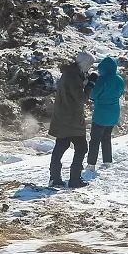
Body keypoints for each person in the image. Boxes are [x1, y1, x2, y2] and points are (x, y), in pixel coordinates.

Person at [49, 51, 93, 188]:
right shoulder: (73, 77)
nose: (89, 68)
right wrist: (90, 85)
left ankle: (55, 178)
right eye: (89, 65)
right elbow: (81, 98)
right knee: (81, 148)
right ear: (84, 64)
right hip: (72, 119)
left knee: (60, 147)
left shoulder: (70, 74)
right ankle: (75, 179)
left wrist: (85, 80)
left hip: (63, 117)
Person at [86, 56, 125, 170]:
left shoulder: (102, 79)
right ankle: (107, 161)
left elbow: (93, 95)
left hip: (101, 114)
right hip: (114, 113)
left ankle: (91, 164)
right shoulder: (120, 79)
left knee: (95, 139)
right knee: (106, 137)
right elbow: (120, 93)